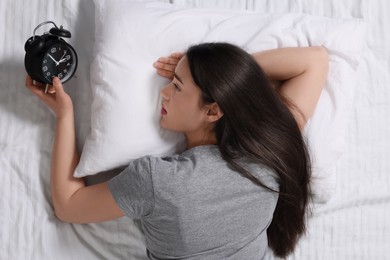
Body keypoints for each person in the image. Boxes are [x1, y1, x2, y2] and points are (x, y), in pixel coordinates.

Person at [25, 42, 328, 259]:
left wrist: (64, 115)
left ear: (213, 111)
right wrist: (223, 77)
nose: (163, 91)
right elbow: (314, 61)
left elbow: (69, 206)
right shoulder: (270, 150)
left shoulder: (158, 181)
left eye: (178, 86)